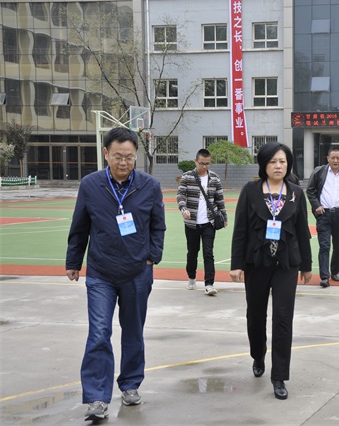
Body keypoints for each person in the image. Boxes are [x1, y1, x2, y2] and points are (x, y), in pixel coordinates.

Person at [65, 127, 166, 421]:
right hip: (101, 272)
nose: (124, 162)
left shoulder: (149, 185)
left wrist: (152, 257)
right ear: (106, 153)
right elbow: (80, 225)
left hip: (137, 272)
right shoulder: (91, 185)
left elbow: (157, 225)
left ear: (136, 156)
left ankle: (130, 384)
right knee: (99, 333)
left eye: (130, 157)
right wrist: (74, 261)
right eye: (118, 156)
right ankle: (97, 397)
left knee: (133, 331)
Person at [229, 142, 312, 400]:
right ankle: (258, 354)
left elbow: (302, 230)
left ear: (288, 165)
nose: (278, 166)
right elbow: (240, 228)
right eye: (273, 161)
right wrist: (236, 263)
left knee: (283, 318)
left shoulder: (296, 193)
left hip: (287, 264)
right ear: (264, 165)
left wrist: (307, 265)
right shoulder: (250, 191)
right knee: (255, 315)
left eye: (283, 161)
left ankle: (279, 376)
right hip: (257, 263)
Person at [176, 148, 228, 295]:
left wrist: (224, 217)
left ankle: (209, 284)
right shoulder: (187, 176)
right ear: (196, 161)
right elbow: (180, 195)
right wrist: (183, 209)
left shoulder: (214, 178)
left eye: (207, 163)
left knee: (208, 253)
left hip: (209, 223)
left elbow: (220, 199)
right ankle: (191, 277)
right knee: (192, 252)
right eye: (202, 163)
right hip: (191, 223)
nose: (204, 166)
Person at [306, 147, 339, 288]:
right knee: (324, 246)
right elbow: (310, 190)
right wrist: (316, 205)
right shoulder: (319, 172)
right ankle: (324, 277)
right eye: (332, 158)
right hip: (323, 214)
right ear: (328, 158)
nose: (335, 160)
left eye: (338, 158)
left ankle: (335, 272)